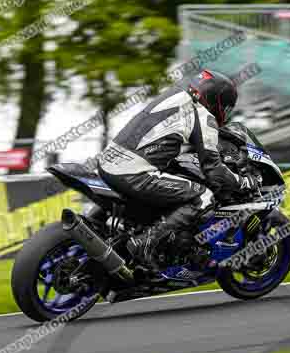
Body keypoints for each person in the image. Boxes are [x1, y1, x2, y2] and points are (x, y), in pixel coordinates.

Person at [97, 69, 257, 270]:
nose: (225, 113)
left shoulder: (173, 96)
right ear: (216, 100)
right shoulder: (203, 115)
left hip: (108, 161)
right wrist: (243, 182)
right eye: (225, 107)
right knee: (203, 197)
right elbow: (214, 170)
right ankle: (145, 244)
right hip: (132, 172)